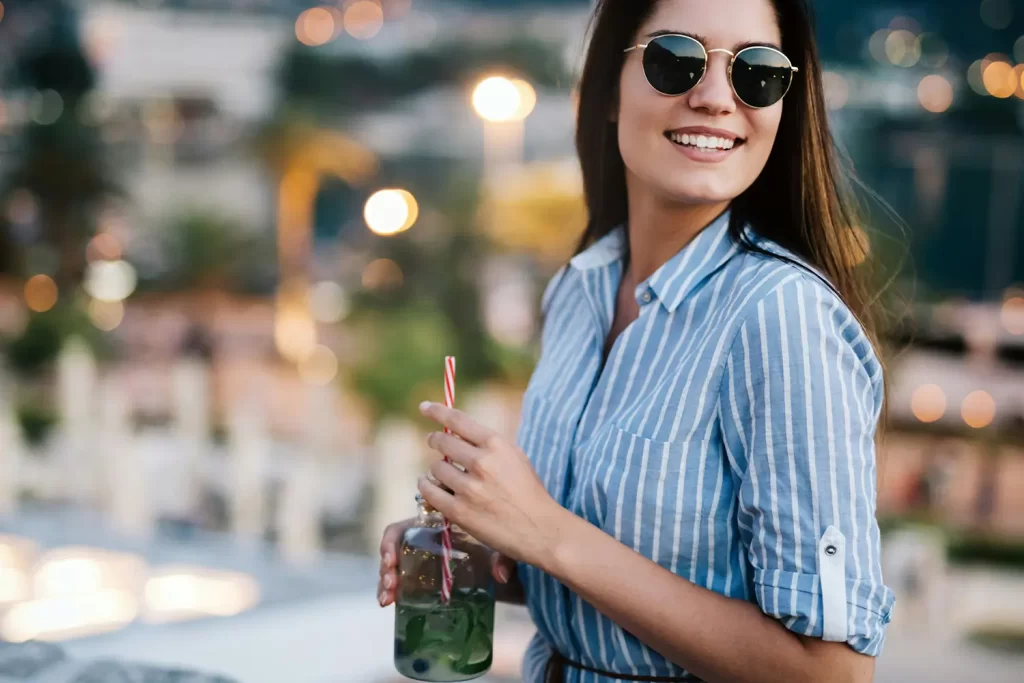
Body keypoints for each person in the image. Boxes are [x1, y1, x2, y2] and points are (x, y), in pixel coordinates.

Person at [379, 0, 895, 681]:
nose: (715, 97)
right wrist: (490, 545)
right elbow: (601, 574)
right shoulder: (579, 289)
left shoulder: (779, 317)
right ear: (610, 91)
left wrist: (547, 532)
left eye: (757, 73)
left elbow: (833, 671)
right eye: (675, 59)